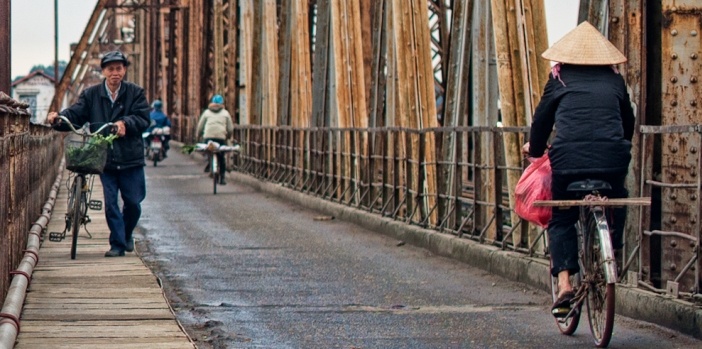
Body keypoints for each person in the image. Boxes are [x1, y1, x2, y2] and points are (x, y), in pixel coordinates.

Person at [522, 21, 635, 317]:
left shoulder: (559, 79)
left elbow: (541, 123)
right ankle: (614, 247)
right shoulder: (615, 81)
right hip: (613, 159)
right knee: (619, 194)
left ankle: (564, 285)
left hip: (569, 163)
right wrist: (618, 147)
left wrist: (534, 151)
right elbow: (628, 124)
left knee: (561, 217)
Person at [47, 50, 150, 257]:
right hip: (105, 158)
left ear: (124, 70)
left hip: (130, 157)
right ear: (103, 71)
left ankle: (126, 233)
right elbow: (77, 113)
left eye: (119, 69)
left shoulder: (135, 93)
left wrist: (125, 124)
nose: (115, 73)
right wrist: (59, 118)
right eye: (110, 69)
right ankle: (118, 245)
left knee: (134, 203)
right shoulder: (91, 94)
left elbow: (143, 118)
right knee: (111, 203)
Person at [196, 94, 233, 185]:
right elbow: (230, 128)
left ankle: (210, 164)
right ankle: (222, 178)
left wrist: (198, 136)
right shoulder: (225, 113)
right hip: (221, 138)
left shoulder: (206, 112)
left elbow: (200, 127)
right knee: (221, 157)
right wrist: (228, 136)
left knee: (208, 150)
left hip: (208, 137)